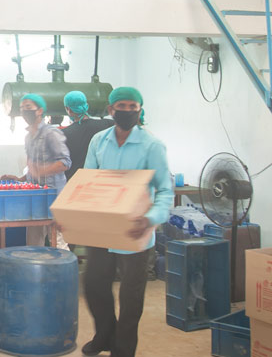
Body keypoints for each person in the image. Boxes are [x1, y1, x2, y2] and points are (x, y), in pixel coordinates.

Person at [80, 87, 173, 357]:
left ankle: (123, 349)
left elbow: (166, 191)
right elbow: (87, 182)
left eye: (134, 107)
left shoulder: (152, 146)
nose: (129, 111)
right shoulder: (99, 141)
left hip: (137, 230)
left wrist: (150, 219)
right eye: (122, 106)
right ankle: (104, 335)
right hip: (103, 228)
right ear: (111, 110)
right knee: (95, 286)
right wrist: (76, 217)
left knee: (131, 298)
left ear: (140, 110)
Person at [1, 93, 71, 247]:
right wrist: (21, 179)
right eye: (22, 108)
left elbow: (65, 163)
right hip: (36, 196)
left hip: (54, 196)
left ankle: (62, 271)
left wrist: (42, 171)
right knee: (33, 242)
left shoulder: (51, 133)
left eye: (28, 107)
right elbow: (33, 169)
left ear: (40, 110)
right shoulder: (28, 137)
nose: (25, 111)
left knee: (57, 241)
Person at [60, 90, 114, 181]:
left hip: (74, 184)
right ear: (86, 105)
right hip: (102, 181)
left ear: (68, 109)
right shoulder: (108, 125)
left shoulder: (64, 134)